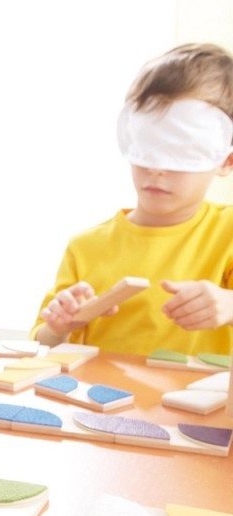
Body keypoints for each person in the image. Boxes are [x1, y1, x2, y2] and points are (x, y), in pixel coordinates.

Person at [32, 43, 233, 356]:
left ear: (226, 160)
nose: (156, 169)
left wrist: (229, 304)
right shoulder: (86, 248)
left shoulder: (227, 234)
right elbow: (41, 344)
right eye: (148, 144)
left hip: (201, 402)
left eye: (181, 151)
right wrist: (59, 327)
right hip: (100, 402)